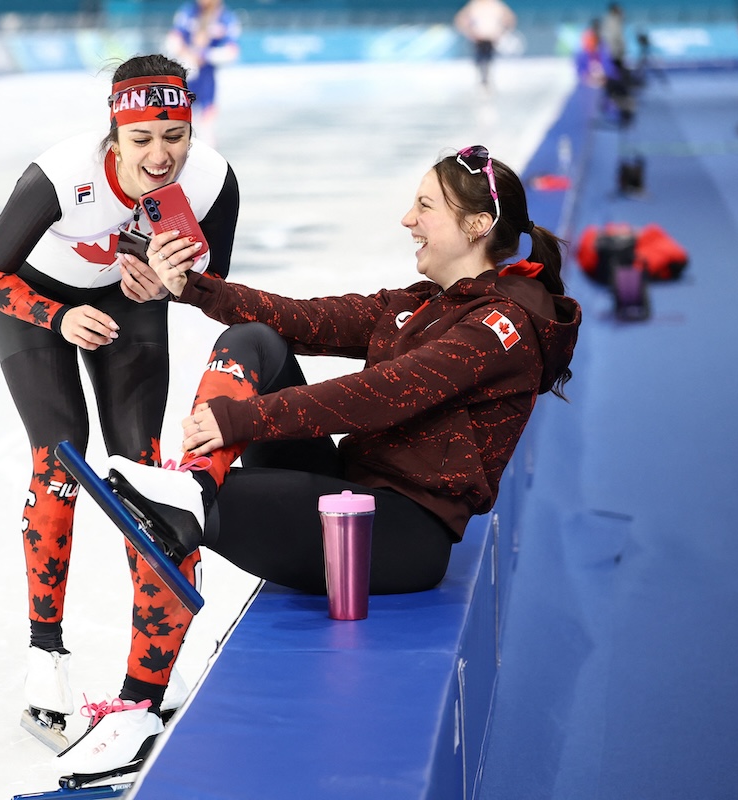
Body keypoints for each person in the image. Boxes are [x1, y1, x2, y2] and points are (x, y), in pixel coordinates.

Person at [81, 146, 581, 771]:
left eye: (425, 205)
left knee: (203, 503)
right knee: (255, 341)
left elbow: (381, 397)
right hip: (350, 491)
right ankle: (195, 491)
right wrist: (192, 287)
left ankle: (142, 695)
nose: (408, 219)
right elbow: (304, 319)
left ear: (478, 225)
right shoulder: (423, 301)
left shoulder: (499, 329)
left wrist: (242, 419)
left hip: (399, 533)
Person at [0, 54, 240, 763]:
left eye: (173, 134)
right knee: (60, 461)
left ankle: (166, 647)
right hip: (36, 301)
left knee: (142, 470)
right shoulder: (61, 177)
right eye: (142, 137)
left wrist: (172, 285)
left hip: (130, 301)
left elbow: (220, 288)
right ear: (114, 135)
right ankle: (46, 655)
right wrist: (58, 319)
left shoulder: (212, 180)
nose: (160, 155)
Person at [165, 0, 241, 146]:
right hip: (185, 75)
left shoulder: (227, 18)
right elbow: (173, 39)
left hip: (207, 79)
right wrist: (186, 54)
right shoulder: (187, 12)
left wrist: (206, 55)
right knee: (176, 119)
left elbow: (232, 51)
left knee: (207, 125)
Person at [453, 0, 517, 89]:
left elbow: (509, 18)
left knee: (488, 59)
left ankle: (486, 80)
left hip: (490, 37)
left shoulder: (495, 4)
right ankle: (483, 80)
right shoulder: (475, 4)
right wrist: (470, 32)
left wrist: (501, 32)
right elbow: (461, 19)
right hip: (479, 37)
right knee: (480, 59)